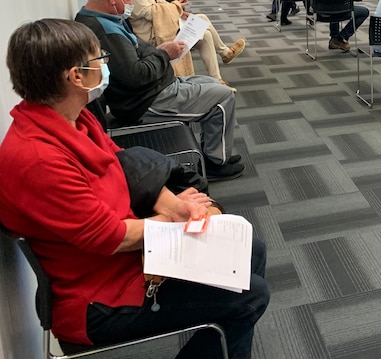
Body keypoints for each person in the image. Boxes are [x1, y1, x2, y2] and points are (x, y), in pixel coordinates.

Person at [0, 18, 269, 358]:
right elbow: (110, 238)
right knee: (250, 295)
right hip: (100, 299)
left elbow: (123, 164)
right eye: (100, 60)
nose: (105, 66)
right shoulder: (36, 159)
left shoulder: (72, 118)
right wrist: (175, 220)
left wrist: (169, 202)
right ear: (76, 76)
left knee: (250, 251)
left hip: (129, 259)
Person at [75, 0, 244, 180]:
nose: (130, 4)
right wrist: (163, 55)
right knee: (224, 96)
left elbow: (140, 53)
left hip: (154, 89)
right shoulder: (105, 31)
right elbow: (136, 75)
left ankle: (213, 153)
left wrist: (159, 53)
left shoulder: (105, 21)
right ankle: (214, 164)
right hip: (147, 101)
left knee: (213, 84)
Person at [118, 0, 245, 89]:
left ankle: (220, 67)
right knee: (204, 32)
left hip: (160, 24)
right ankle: (222, 61)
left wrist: (177, 9)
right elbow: (150, 12)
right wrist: (176, 7)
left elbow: (158, 1)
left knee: (201, 22)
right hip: (154, 33)